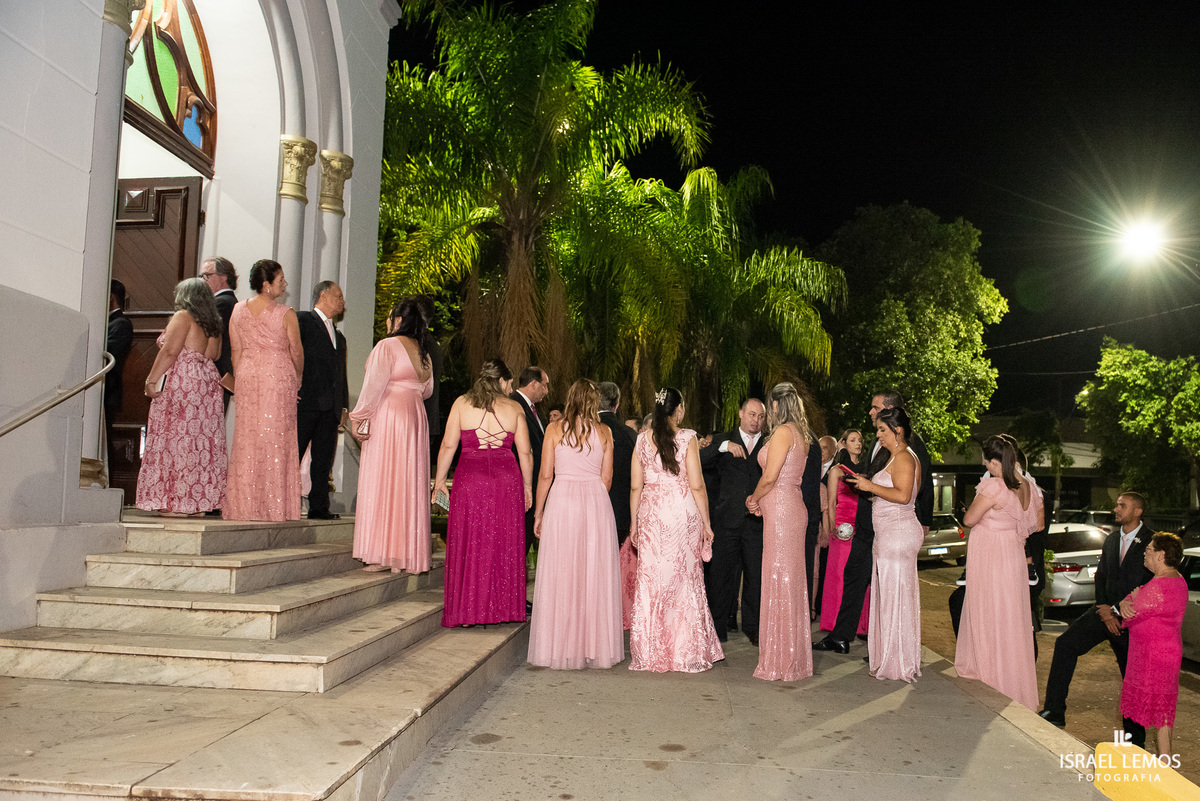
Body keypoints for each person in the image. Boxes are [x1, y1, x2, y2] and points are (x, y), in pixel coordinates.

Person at [815, 391, 932, 654]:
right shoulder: (879, 444)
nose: (870, 413)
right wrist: (859, 481)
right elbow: (881, 476)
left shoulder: (910, 446)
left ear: (890, 412)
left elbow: (919, 485)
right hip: (871, 523)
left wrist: (924, 519)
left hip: (893, 525)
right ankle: (843, 636)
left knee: (888, 586)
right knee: (856, 576)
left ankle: (888, 645)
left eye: (875, 408)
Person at [1039, 493, 1155, 746]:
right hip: (1103, 613)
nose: (1116, 509)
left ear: (1138, 511)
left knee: (1132, 678)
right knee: (1065, 645)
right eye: (1117, 504)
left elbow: (1151, 585)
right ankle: (1054, 711)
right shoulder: (1112, 540)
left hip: (1132, 621)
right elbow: (1101, 576)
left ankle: (1135, 742)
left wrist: (1117, 611)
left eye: (1122, 506)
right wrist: (1104, 608)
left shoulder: (1152, 542)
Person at [527, 379, 623, 669]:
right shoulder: (604, 432)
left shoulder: (555, 430)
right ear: (594, 402)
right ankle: (593, 646)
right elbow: (607, 480)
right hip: (595, 503)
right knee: (593, 574)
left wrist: (539, 513)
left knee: (563, 572)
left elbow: (545, 476)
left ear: (569, 399)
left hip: (563, 502)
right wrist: (591, 497)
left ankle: (560, 646)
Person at [629, 387, 723, 672]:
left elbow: (636, 486)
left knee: (652, 580)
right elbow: (696, 484)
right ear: (678, 409)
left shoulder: (642, 440)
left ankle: (650, 652)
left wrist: (634, 522)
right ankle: (685, 650)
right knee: (685, 578)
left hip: (652, 513)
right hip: (682, 513)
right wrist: (707, 523)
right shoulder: (687, 437)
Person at [433, 359, 534, 627]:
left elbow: (447, 445)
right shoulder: (514, 408)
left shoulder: (461, 403)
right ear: (501, 381)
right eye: (509, 382)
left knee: (471, 541)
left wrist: (440, 481)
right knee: (502, 542)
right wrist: (528, 487)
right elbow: (525, 451)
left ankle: (466, 613)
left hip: (470, 479)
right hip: (506, 481)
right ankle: (501, 610)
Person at [349, 298, 434, 573]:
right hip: (414, 417)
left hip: (390, 417)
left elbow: (373, 385)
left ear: (398, 320)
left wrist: (358, 418)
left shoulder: (387, 346)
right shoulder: (424, 352)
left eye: (389, 317)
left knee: (383, 480)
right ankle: (402, 555)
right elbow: (428, 390)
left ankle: (382, 553)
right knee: (406, 484)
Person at [953, 435, 1039, 706]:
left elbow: (969, 519)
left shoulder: (993, 486)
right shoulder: (1026, 484)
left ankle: (991, 673)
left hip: (991, 555)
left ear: (992, 461)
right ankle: (1012, 677)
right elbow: (1034, 524)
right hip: (1012, 555)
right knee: (1009, 614)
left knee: (988, 609)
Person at [135, 278, 227, 515]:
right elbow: (214, 355)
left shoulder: (183, 316)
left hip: (183, 381)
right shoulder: (213, 323)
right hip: (207, 382)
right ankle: (198, 504)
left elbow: (170, 351)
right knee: (201, 442)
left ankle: (174, 502)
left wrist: (151, 379)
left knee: (176, 439)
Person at [845, 407, 922, 682]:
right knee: (892, 597)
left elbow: (903, 496)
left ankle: (897, 662)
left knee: (895, 598)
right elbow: (891, 496)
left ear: (897, 431)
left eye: (882, 430)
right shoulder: (896, 457)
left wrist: (871, 487)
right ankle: (895, 656)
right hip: (890, 532)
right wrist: (866, 489)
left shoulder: (904, 458)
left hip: (898, 534)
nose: (877, 435)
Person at [224, 260, 303, 521]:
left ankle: (244, 506)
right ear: (267, 285)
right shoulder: (286, 313)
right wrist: (298, 377)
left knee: (248, 440)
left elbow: (235, 350)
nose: (285, 284)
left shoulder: (237, 310)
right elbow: (297, 352)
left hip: (247, 376)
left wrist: (243, 377)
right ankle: (274, 507)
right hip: (278, 376)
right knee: (276, 439)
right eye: (281, 280)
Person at [746, 382, 812, 682]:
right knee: (789, 580)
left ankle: (781, 659)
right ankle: (791, 656)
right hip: (789, 507)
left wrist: (754, 498)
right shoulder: (800, 434)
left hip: (782, 510)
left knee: (779, 578)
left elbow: (770, 476)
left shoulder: (784, 432)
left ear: (774, 405)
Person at [700, 398, 767, 644]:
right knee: (720, 578)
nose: (755, 420)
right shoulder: (722, 440)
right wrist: (723, 446)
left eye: (760, 416)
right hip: (726, 521)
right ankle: (717, 629)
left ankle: (754, 628)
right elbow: (699, 460)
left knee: (755, 577)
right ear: (740, 414)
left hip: (756, 523)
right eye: (751, 414)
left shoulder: (769, 443)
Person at [1119, 532, 1187, 757]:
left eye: (1148, 550)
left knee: (1155, 714)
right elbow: (1130, 605)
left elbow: (1128, 617)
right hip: (1167, 653)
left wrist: (1130, 600)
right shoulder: (1178, 580)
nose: (1145, 553)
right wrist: (1128, 599)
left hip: (1152, 658)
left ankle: (1159, 764)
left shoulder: (1158, 586)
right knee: (1164, 715)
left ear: (1161, 555)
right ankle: (1166, 763)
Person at [297, 281, 349, 520]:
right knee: (293, 455)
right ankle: (283, 502)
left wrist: (344, 406)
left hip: (330, 408)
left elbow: (341, 374)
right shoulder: (303, 321)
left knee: (323, 461)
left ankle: (319, 508)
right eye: (338, 296)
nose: (342, 301)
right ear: (323, 295)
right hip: (305, 403)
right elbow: (290, 356)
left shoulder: (340, 337)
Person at [597, 381, 638, 630]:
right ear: (618, 404)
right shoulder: (630, 434)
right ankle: (610, 615)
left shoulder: (590, 430)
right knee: (612, 567)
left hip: (594, 506)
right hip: (622, 512)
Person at [820, 429, 869, 636]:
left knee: (859, 578)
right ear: (844, 444)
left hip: (862, 527)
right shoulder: (837, 470)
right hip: (842, 528)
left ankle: (859, 624)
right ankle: (834, 622)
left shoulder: (867, 471)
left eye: (860, 440)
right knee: (839, 576)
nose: (857, 443)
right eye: (853, 440)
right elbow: (831, 502)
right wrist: (832, 528)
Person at [512, 367, 550, 561]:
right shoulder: (514, 404)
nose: (547, 391)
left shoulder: (533, 410)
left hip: (533, 483)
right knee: (518, 539)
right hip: (520, 482)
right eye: (545, 385)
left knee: (525, 539)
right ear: (533, 384)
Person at [199, 257, 237, 408]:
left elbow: (206, 337)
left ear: (224, 277)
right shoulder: (229, 301)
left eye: (207, 275)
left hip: (215, 374)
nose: (203, 280)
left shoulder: (221, 303)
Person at [104, 279, 134, 470]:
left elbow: (109, 353)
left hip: (108, 390)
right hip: (103, 391)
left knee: (104, 441)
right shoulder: (109, 323)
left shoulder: (121, 324)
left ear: (111, 297)